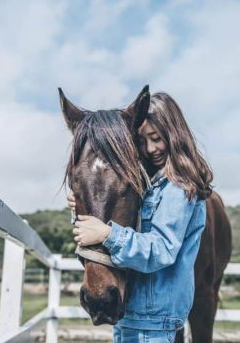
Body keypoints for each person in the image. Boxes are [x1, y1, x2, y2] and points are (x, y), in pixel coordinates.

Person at [67, 92, 213, 343]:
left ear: (174, 134)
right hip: (132, 315)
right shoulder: (149, 187)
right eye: (142, 141)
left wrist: (107, 234)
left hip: (155, 322)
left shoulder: (178, 189)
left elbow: (162, 248)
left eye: (156, 139)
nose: (150, 149)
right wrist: (81, 205)